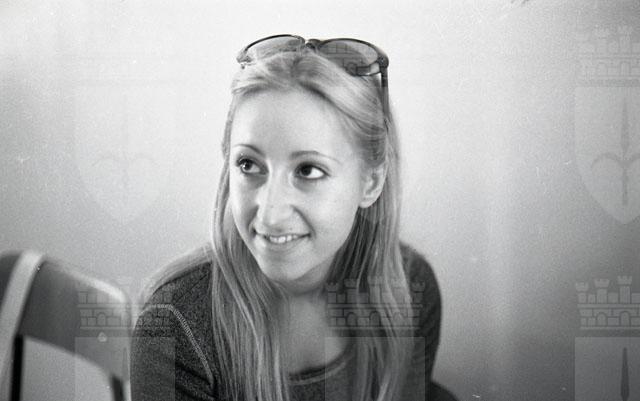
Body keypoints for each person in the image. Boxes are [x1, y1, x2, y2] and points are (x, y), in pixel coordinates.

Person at [130, 34, 442, 401]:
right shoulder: (175, 328)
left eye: (308, 170)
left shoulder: (408, 290)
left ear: (371, 182)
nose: (270, 213)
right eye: (249, 164)